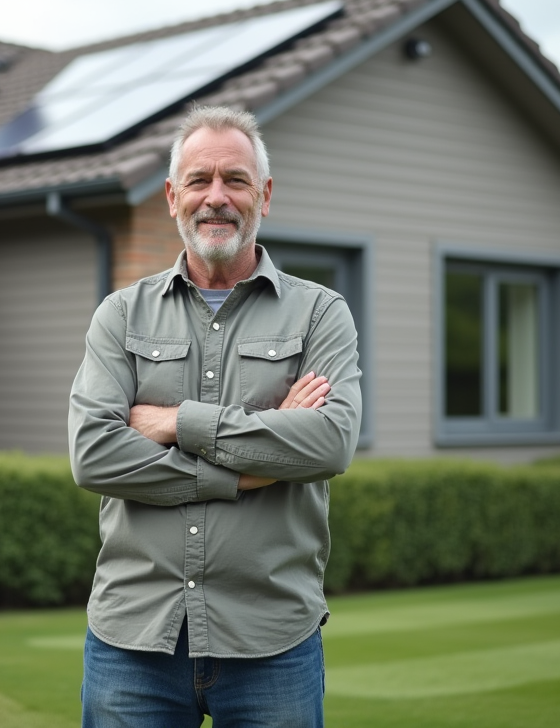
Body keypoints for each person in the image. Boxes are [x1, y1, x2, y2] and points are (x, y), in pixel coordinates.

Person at [68, 104, 362, 727]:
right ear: (173, 197)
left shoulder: (319, 315)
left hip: (272, 639)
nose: (217, 198)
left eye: (235, 180)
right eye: (199, 181)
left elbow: (329, 444)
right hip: (134, 640)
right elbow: (94, 453)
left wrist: (176, 423)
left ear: (265, 195)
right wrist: (246, 471)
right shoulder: (121, 316)